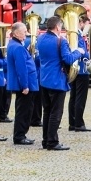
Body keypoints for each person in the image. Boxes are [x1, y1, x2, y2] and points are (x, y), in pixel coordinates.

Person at [36, 15, 84, 150]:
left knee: (47, 112)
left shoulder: (40, 38)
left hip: (44, 79)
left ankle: (46, 140)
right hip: (57, 80)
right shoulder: (61, 41)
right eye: (61, 26)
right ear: (57, 27)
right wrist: (78, 52)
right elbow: (68, 59)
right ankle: (52, 142)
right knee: (55, 114)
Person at [7, 22, 38, 145]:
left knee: (24, 110)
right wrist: (25, 85)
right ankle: (20, 136)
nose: (26, 34)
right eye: (24, 32)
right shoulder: (18, 47)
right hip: (25, 85)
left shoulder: (16, 44)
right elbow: (21, 68)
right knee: (24, 111)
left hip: (26, 83)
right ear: (15, 33)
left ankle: (21, 135)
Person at [68, 14, 91, 132]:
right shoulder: (78, 35)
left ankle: (72, 123)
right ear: (81, 23)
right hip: (82, 69)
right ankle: (79, 123)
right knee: (80, 97)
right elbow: (84, 54)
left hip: (74, 68)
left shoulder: (74, 34)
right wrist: (89, 56)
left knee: (73, 96)